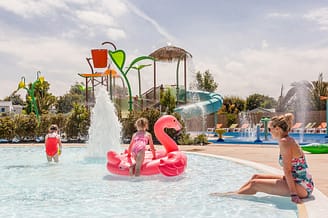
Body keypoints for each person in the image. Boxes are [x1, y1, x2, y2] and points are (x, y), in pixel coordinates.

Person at [213, 113, 314, 204]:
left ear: (277, 129)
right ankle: (236, 194)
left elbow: (287, 170)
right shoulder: (287, 140)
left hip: (301, 186)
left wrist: (294, 194)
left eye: (269, 129)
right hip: (300, 180)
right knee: (255, 177)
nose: (268, 131)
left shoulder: (285, 142)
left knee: (254, 184)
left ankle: (230, 198)